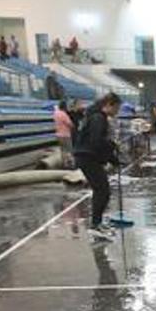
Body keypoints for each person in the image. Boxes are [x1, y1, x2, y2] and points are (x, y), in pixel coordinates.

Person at [73, 91, 122, 242]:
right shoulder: (98, 118)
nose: (117, 112)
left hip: (88, 157)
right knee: (102, 190)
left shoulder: (95, 116)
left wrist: (114, 159)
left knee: (102, 190)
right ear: (108, 105)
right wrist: (112, 146)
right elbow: (97, 142)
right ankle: (95, 225)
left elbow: (99, 143)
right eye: (116, 108)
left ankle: (97, 223)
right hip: (87, 158)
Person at [53, 99, 74, 168]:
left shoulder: (56, 113)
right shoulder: (64, 114)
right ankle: (70, 164)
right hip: (65, 135)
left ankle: (64, 164)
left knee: (63, 150)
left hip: (58, 135)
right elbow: (70, 124)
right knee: (69, 150)